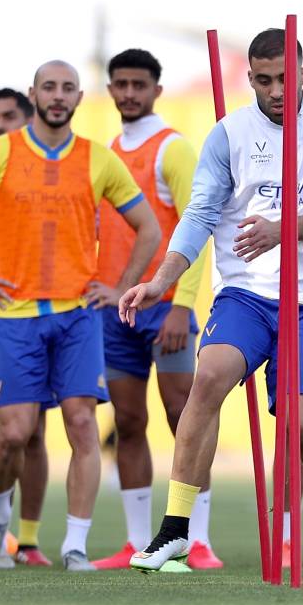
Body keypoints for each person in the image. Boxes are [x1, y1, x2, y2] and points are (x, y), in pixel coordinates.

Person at [121, 28, 303, 582]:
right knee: (206, 378)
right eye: (263, 80)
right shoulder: (228, 134)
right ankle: (175, 529)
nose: (277, 89)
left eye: (286, 77)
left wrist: (283, 229)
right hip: (247, 293)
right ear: (250, 78)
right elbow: (200, 213)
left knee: (302, 426)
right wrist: (162, 280)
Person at [0, 60, 161, 571]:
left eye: (67, 88)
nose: (58, 96)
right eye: (48, 87)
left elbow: (148, 227)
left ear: (79, 97)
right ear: (34, 94)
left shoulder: (98, 160)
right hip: (15, 316)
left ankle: (75, 545)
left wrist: (121, 286)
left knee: (80, 422)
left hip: (78, 316)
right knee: (13, 432)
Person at [89, 49, 215, 570]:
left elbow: (200, 226)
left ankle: (199, 540)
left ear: (157, 89)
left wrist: (181, 307)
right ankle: (137, 541)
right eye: (120, 84)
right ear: (111, 89)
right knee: (129, 419)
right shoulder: (109, 151)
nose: (129, 93)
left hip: (166, 311)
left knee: (183, 415)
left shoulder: (175, 150)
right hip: (119, 314)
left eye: (139, 84)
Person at [0, 86, 52, 566]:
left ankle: (27, 540)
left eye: (9, 116)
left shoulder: (40, 165)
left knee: (33, 433)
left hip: (43, 315)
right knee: (6, 432)